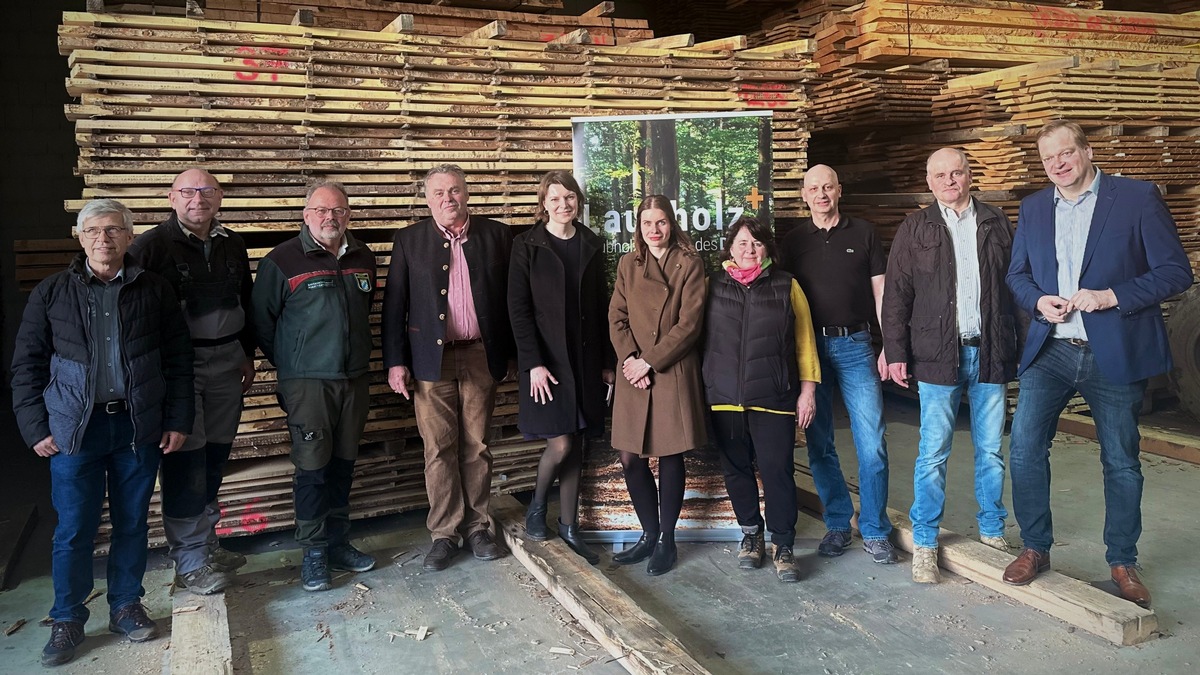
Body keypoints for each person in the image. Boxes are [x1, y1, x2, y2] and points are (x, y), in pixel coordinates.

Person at [1002, 120, 1192, 607]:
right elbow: (1017, 275)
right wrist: (1039, 301)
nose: (1058, 165)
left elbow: (1176, 272)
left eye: (1066, 153)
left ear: (1087, 151)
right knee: (1024, 448)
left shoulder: (1136, 198)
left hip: (1114, 353)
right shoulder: (1034, 207)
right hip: (1052, 350)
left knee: (1122, 460)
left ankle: (1123, 561)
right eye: (1048, 159)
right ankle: (1035, 547)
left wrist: (1112, 296)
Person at [11, 199, 193, 667]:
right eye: (93, 230)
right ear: (79, 236)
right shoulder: (51, 293)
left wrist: (176, 419)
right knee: (74, 528)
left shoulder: (154, 290)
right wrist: (35, 426)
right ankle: (68, 617)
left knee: (133, 522)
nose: (103, 239)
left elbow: (177, 360)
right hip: (76, 431)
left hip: (136, 426)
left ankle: (126, 606)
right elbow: (26, 365)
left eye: (113, 230)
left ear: (130, 237)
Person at [882, 148, 1020, 584]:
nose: (949, 180)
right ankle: (925, 541)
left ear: (969, 174)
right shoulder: (915, 227)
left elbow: (1017, 287)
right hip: (936, 353)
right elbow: (896, 295)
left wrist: (1025, 348)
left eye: (956, 172)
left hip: (990, 350)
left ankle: (993, 532)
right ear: (929, 180)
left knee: (992, 450)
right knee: (933, 452)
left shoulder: (996, 221)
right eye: (940, 174)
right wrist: (897, 351)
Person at [128, 168, 255, 595]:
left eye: (206, 191)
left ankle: (208, 543)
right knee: (185, 461)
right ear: (171, 197)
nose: (197, 199)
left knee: (214, 456)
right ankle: (190, 562)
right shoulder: (150, 247)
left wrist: (247, 354)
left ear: (219, 196)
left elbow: (247, 301)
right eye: (187, 191)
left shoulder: (232, 243)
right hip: (179, 366)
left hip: (226, 358)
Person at [382, 164, 515, 572]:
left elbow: (515, 300)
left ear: (467, 194)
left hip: (480, 354)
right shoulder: (409, 240)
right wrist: (395, 361)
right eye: (438, 193)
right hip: (428, 359)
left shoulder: (497, 235)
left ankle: (478, 527)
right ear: (427, 199)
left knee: (477, 445)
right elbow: (394, 306)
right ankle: (444, 533)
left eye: (455, 190)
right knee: (437, 447)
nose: (448, 199)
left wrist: (515, 355)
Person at [253, 181, 377, 592]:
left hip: (354, 379)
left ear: (348, 214)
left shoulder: (363, 258)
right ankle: (314, 552)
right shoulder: (283, 261)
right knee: (312, 468)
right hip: (308, 384)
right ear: (306, 215)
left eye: (338, 210)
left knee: (343, 464)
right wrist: (294, 363)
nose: (330, 217)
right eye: (322, 210)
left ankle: (339, 543)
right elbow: (263, 323)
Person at [779, 164, 897, 565]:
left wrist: (889, 346)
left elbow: (881, 293)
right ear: (804, 194)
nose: (821, 194)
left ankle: (876, 529)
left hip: (857, 345)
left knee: (872, 443)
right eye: (814, 188)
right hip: (810, 352)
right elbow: (784, 301)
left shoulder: (863, 233)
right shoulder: (793, 241)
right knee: (820, 443)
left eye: (828, 186)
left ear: (839, 190)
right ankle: (837, 523)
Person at [703, 216, 820, 582]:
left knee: (777, 472)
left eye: (755, 243)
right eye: (741, 243)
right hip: (724, 397)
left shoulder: (787, 286)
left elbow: (804, 342)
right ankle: (751, 534)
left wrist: (807, 392)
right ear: (730, 248)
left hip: (774, 397)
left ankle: (783, 544)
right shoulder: (712, 285)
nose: (748, 250)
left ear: (766, 248)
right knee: (735, 470)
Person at [508, 171, 614, 564]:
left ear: (577, 202)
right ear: (544, 203)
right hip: (546, 363)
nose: (563, 204)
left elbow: (603, 306)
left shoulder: (591, 242)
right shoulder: (526, 245)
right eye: (555, 198)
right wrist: (532, 363)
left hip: (585, 361)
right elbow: (517, 311)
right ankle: (537, 506)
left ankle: (569, 526)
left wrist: (607, 363)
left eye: (569, 197)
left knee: (579, 444)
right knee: (562, 442)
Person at [608, 194, 707, 576]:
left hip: (671, 369)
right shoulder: (628, 264)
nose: (654, 230)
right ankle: (648, 534)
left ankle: (667, 539)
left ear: (672, 223)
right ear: (639, 227)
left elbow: (690, 325)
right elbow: (616, 317)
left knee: (669, 455)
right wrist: (631, 360)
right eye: (647, 223)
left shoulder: (690, 264)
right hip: (633, 370)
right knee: (630, 457)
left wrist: (650, 360)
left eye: (661, 222)